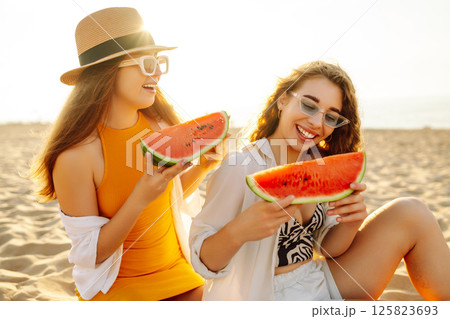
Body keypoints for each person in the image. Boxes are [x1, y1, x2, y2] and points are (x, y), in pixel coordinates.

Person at [189, 61, 450, 300]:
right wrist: (239, 230)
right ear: (282, 101)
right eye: (309, 105)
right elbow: (204, 260)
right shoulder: (241, 166)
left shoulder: (319, 164)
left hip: (316, 279)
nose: (316, 122)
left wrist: (352, 222)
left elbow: (327, 249)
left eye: (330, 116)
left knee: (412, 211)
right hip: (264, 295)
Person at [31, 7, 223, 301]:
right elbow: (90, 254)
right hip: (119, 289)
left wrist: (204, 167)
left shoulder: (159, 125)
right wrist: (138, 199)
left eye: (159, 62)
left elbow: (167, 200)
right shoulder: (77, 156)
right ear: (107, 72)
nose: (158, 72)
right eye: (147, 63)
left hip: (180, 273)